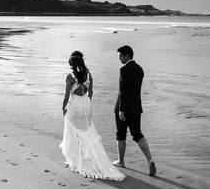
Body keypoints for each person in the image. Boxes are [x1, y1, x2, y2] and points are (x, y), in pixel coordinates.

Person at [59, 51, 125, 181]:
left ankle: (76, 160)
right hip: (87, 105)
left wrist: (63, 108)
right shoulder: (88, 75)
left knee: (73, 133)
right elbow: (91, 92)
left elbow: (67, 95)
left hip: (75, 106)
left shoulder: (70, 77)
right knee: (87, 133)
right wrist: (86, 102)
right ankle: (89, 158)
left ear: (72, 62)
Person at [113, 45, 156, 176]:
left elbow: (123, 91)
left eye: (120, 55)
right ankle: (150, 160)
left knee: (121, 134)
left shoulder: (124, 70)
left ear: (127, 55)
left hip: (123, 107)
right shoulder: (140, 69)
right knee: (137, 134)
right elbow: (134, 90)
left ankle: (121, 161)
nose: (119, 58)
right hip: (136, 108)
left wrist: (121, 110)